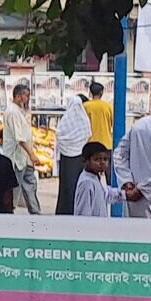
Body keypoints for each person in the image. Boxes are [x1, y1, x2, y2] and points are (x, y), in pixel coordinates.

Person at [0, 81, 43, 216]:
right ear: (18, 97)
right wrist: (32, 154)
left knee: (30, 183)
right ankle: (9, 210)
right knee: (15, 187)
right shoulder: (12, 112)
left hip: (25, 157)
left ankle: (35, 211)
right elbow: (20, 138)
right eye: (26, 96)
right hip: (17, 156)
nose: (27, 99)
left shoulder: (20, 111)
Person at [53, 86, 93, 215]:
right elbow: (88, 134)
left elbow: (59, 135)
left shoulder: (65, 121)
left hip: (65, 158)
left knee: (65, 186)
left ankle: (64, 211)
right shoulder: (84, 120)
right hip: (79, 158)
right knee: (76, 185)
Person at [72, 142, 116, 218]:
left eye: (105, 159)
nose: (102, 163)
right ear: (86, 161)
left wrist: (124, 194)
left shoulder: (96, 177)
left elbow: (105, 194)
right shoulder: (87, 183)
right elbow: (83, 214)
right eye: (97, 160)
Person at [83, 79, 114, 151]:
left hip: (89, 144)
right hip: (105, 144)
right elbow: (114, 123)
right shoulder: (108, 106)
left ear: (91, 92)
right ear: (101, 92)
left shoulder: (85, 106)